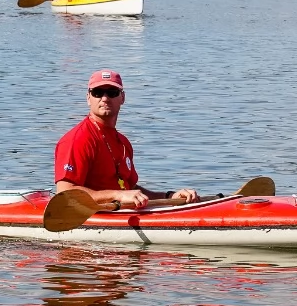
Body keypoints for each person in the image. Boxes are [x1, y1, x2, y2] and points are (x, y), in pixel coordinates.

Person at [55, 69, 198, 209]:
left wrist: (169, 197)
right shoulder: (77, 140)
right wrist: (118, 195)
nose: (105, 98)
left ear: (122, 98)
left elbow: (131, 189)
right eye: (97, 93)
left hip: (119, 211)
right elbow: (65, 194)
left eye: (112, 93)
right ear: (88, 98)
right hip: (92, 215)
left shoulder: (123, 142)